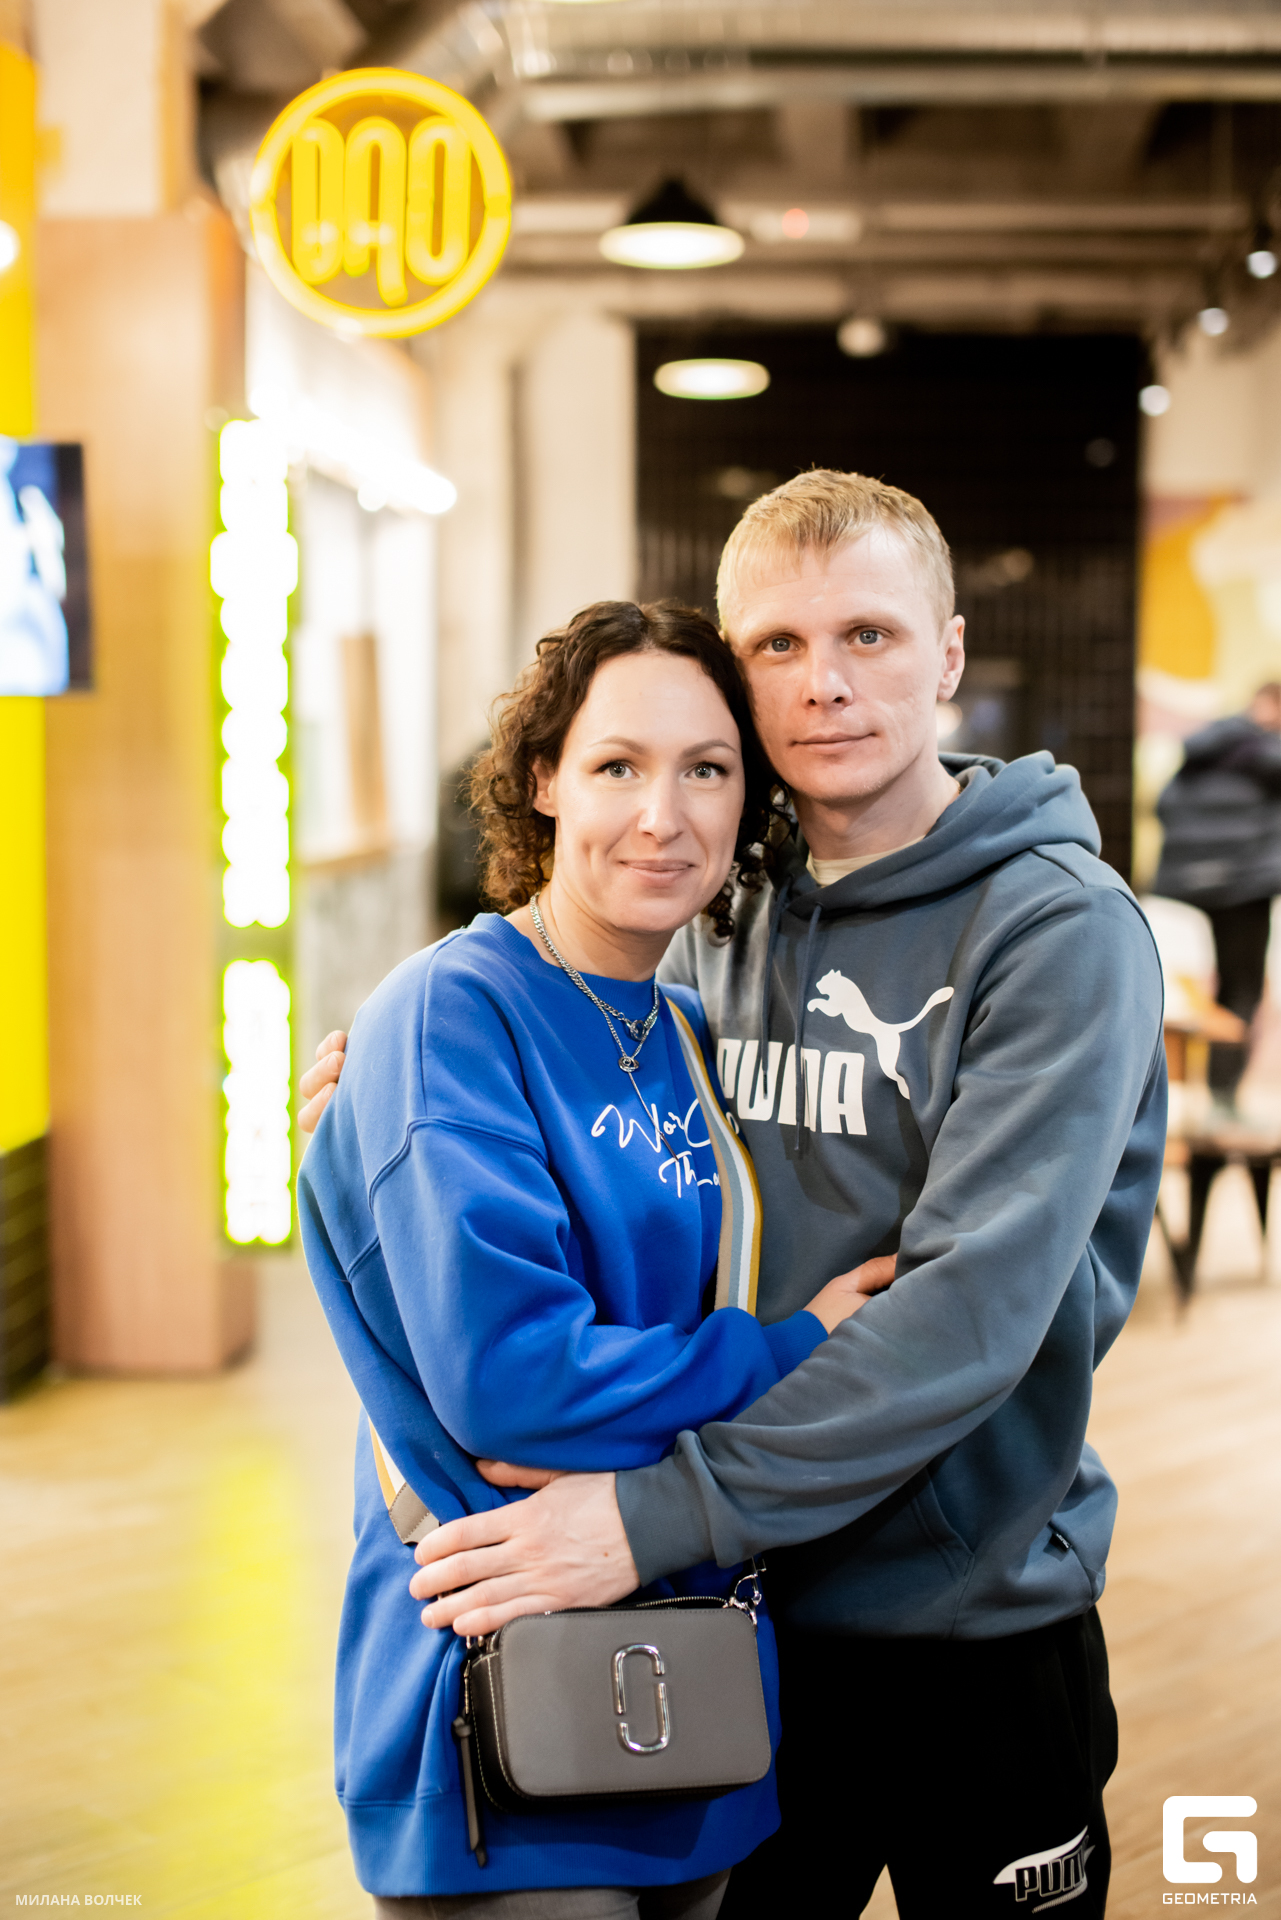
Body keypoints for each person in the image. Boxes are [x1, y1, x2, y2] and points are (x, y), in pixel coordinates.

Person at [340, 471, 1167, 1920]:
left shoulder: (1056, 929)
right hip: (742, 1608)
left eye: (868, 635)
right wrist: (393, 1081)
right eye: (779, 644)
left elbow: (966, 1320)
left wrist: (665, 1510)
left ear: (948, 655)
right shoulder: (719, 897)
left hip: (964, 1611)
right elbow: (590, 1112)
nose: (824, 683)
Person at [296, 599, 893, 1918]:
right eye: (618, 764)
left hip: (700, 1693)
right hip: (496, 1704)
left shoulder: (693, 1036)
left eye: (707, 769)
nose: (661, 816)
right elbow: (515, 1387)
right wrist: (797, 1353)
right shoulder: (450, 1012)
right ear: (541, 778)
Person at [1153, 681, 1281, 1110]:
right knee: (1240, 994)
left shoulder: (1202, 750)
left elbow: (1161, 806)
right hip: (1244, 889)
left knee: (1180, 1000)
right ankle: (1222, 1101)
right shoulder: (1271, 756)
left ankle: (1166, 1100)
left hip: (1183, 888)